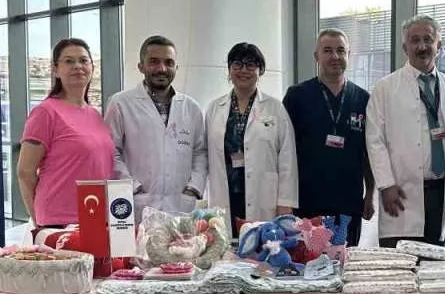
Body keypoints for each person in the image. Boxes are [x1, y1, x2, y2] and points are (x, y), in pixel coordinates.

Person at [366, 15, 445, 248]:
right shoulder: (385, 87)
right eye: (414, 40)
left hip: (441, 191)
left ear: (439, 46)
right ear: (405, 47)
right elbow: (374, 140)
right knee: (398, 261)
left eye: (428, 40)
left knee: (436, 260)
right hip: (400, 192)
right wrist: (386, 185)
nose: (422, 46)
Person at [283, 29, 375, 245]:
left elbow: (369, 152)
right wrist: (285, 200)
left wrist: (370, 194)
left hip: (348, 203)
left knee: (345, 258)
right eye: (327, 50)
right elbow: (284, 153)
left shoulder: (363, 99)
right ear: (316, 56)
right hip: (307, 202)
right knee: (307, 258)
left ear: (349, 55)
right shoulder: (297, 96)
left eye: (341, 50)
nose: (335, 56)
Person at [103, 35, 207, 218]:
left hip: (181, 205)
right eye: (154, 62)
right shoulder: (120, 104)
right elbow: (111, 152)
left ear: (176, 67)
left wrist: (193, 188)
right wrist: (132, 186)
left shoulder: (191, 107)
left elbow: (200, 152)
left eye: (169, 62)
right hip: (138, 204)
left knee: (180, 238)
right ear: (141, 66)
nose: (162, 68)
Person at [16, 37, 114, 227]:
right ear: (55, 69)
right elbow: (25, 172)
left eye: (83, 60)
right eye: (69, 61)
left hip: (95, 217)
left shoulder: (95, 115)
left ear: (92, 67)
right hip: (59, 222)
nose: (77, 66)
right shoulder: (45, 112)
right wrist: (39, 221)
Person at [204, 42, 298, 223]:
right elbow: (205, 154)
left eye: (250, 65)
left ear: (260, 70)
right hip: (225, 193)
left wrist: (286, 202)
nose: (243, 70)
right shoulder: (214, 108)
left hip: (263, 195)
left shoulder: (275, 108)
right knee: (226, 238)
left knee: (260, 239)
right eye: (237, 64)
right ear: (229, 69)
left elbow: (287, 158)